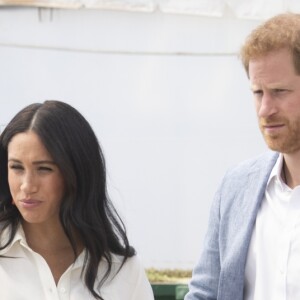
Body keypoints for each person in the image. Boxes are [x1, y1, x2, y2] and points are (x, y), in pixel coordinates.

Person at [185, 12, 300, 300]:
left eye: (279, 91)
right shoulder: (236, 186)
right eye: (258, 92)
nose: (265, 109)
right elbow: (205, 292)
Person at [0, 100, 154, 299]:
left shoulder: (124, 271)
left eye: (44, 168)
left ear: (77, 173)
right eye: (16, 167)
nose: (27, 186)